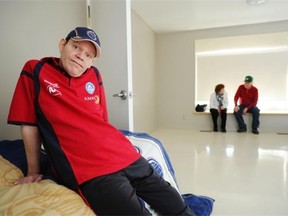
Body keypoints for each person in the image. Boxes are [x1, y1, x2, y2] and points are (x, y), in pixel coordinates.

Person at [7, 27, 195, 215]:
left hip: (125, 155)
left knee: (178, 207)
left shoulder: (94, 75)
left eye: (89, 55)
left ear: (92, 62)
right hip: (90, 170)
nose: (81, 56)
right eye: (76, 47)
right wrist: (33, 171)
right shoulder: (35, 69)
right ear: (62, 44)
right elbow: (29, 125)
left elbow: (102, 120)